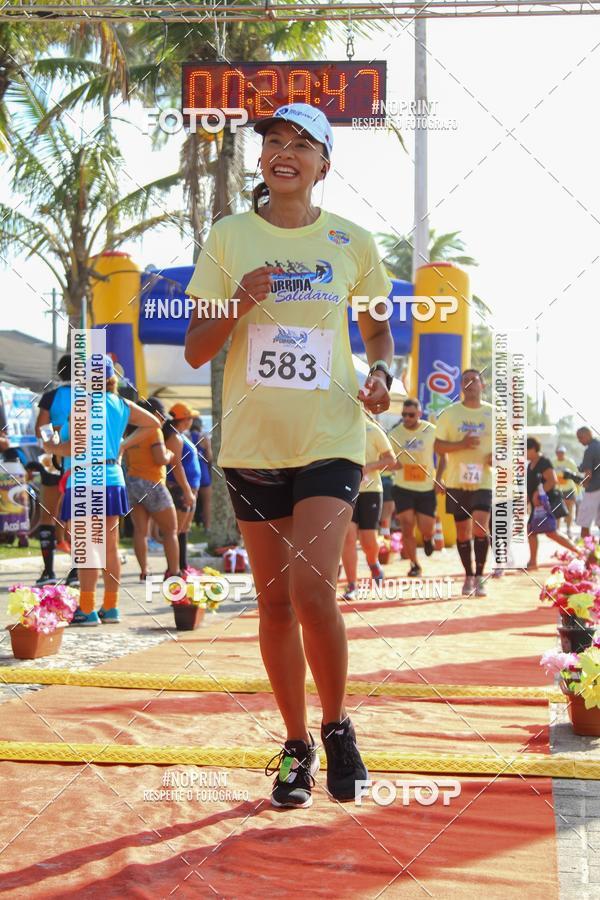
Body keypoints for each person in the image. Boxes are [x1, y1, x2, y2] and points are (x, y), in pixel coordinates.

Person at [184, 102, 394, 809]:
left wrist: (381, 376)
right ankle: (296, 745)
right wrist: (238, 302)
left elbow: (378, 332)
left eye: (300, 144)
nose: (283, 152)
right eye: (273, 141)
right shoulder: (230, 235)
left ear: (323, 165)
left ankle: (339, 728)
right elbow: (195, 350)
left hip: (331, 437)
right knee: (274, 604)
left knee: (313, 591)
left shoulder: (353, 241)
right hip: (252, 443)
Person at [44, 355, 160, 625]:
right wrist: (123, 444)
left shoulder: (81, 405)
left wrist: (50, 447)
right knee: (109, 547)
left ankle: (87, 609)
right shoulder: (120, 403)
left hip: (86, 477)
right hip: (112, 477)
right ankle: (111, 607)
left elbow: (76, 448)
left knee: (86, 547)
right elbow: (154, 422)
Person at [434, 369, 492, 597]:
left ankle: (479, 576)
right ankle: (468, 575)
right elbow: (439, 447)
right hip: (457, 480)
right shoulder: (449, 414)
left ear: (482, 385)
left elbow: (508, 447)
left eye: (474, 380)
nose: (470, 384)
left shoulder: (494, 414)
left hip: (484, 480)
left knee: (480, 526)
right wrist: (462, 443)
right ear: (461, 387)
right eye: (465, 381)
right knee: (462, 532)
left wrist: (497, 457)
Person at [124, 398, 180, 581]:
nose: (163, 420)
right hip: (153, 483)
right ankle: (175, 572)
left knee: (140, 531)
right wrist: (170, 455)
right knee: (171, 530)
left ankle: (144, 571)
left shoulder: (130, 432)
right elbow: (159, 458)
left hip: (132, 482)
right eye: (161, 415)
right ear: (153, 414)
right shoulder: (154, 430)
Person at [341, 415, 394, 601]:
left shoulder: (372, 429)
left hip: (371, 490)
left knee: (368, 540)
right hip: (345, 490)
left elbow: (391, 459)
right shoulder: (337, 427)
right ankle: (352, 585)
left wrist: (368, 467)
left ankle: (373, 562)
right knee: (348, 536)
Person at [388, 398, 437, 577]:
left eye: (411, 415)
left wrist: (440, 478)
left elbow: (443, 455)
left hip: (426, 488)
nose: (407, 418)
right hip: (403, 487)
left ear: (419, 414)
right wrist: (393, 465)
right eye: (404, 415)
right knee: (407, 526)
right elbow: (387, 457)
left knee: (426, 528)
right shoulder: (394, 433)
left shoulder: (431, 430)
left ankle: (427, 538)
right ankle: (414, 564)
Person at [34, 354, 71, 585]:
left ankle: (48, 572)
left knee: (48, 516)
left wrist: (54, 439)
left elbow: (41, 429)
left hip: (53, 459)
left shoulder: (50, 396)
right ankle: (78, 571)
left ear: (59, 373)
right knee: (80, 516)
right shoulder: (92, 396)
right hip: (80, 460)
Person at [526, 437, 579, 568]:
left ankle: (580, 552)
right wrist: (527, 499)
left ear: (532, 449)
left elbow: (552, 481)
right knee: (531, 531)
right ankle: (532, 562)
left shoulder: (544, 462)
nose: (523, 454)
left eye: (524, 450)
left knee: (551, 533)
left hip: (546, 503)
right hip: (536, 506)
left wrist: (538, 493)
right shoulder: (529, 465)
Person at [164, 403, 200, 574]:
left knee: (184, 529)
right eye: (190, 417)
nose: (192, 420)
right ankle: (173, 570)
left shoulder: (181, 436)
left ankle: (183, 567)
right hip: (180, 488)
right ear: (184, 419)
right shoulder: (174, 438)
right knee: (176, 530)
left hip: (190, 488)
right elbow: (176, 466)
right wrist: (186, 490)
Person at [576, 427, 600, 538]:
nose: (579, 441)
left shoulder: (590, 450)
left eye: (580, 438)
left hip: (593, 490)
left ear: (588, 435)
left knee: (584, 523)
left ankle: (587, 552)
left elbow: (588, 475)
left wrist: (582, 483)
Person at [190, 417, 213, 531]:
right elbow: (209, 458)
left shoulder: (186, 437)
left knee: (190, 501)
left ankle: (187, 527)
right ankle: (207, 527)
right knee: (207, 503)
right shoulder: (204, 438)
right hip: (203, 474)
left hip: (191, 473)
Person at [553, 445, 580, 538]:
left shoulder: (570, 462)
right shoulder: (553, 462)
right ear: (556, 453)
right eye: (559, 452)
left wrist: (578, 490)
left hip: (569, 489)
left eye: (562, 453)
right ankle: (557, 530)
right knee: (557, 510)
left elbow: (576, 475)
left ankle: (568, 529)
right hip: (557, 490)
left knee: (569, 510)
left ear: (564, 453)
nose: (560, 454)